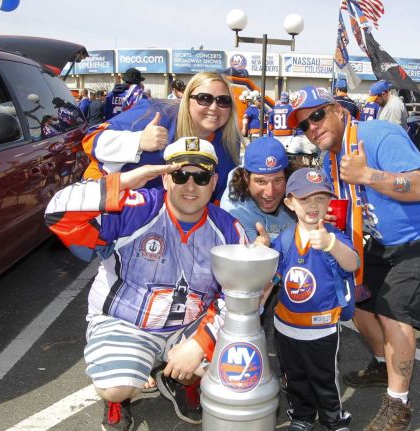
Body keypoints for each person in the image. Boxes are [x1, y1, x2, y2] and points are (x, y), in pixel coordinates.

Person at [287, 86, 420, 431]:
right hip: (386, 239)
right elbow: (339, 209)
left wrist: (368, 175)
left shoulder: (378, 134)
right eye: (305, 125)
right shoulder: (329, 158)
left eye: (317, 115)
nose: (312, 127)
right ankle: (384, 363)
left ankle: (398, 405)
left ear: (338, 110)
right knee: (357, 300)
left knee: (393, 311)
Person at [45, 137, 248, 430]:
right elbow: (56, 212)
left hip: (189, 324)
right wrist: (124, 181)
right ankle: (116, 400)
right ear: (165, 178)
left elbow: (240, 295)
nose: (190, 186)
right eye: (180, 174)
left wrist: (200, 343)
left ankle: (181, 380)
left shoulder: (229, 228)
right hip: (126, 321)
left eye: (201, 176)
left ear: (214, 180)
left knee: (234, 366)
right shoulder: (135, 208)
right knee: (116, 385)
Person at [255, 167, 359, 431]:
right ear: (289, 202)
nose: (314, 205)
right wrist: (261, 256)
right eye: (304, 198)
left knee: (325, 379)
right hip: (286, 327)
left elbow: (353, 263)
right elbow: (272, 278)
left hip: (321, 328)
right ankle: (301, 416)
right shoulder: (286, 239)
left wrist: (330, 244)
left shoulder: (334, 237)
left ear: (330, 203)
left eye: (321, 198)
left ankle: (334, 419)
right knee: (295, 378)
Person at [82, 70, 242, 201]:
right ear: (187, 100)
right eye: (204, 99)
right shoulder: (156, 113)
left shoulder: (228, 144)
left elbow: (218, 200)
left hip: (166, 220)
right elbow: (91, 140)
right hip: (111, 202)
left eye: (223, 100)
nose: (214, 107)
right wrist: (138, 141)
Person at [220, 136, 296, 242]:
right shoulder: (235, 212)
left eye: (277, 180)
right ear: (246, 178)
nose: (270, 192)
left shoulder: (298, 192)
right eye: (261, 181)